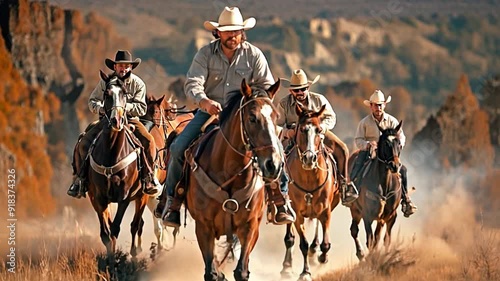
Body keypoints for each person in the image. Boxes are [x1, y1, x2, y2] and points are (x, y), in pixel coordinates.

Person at [158, 6, 295, 227]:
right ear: (218, 33)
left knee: (276, 148)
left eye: (236, 31)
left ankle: (281, 200)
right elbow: (193, 82)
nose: (232, 35)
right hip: (210, 112)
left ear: (242, 32)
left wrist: (256, 101)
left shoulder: (254, 55)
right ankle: (172, 201)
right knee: (178, 147)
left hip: (245, 113)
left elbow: (267, 86)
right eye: (227, 31)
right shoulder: (205, 54)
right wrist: (204, 101)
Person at [67, 50, 161, 198]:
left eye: (126, 66)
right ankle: (80, 179)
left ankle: (148, 177)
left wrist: (124, 108)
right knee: (84, 141)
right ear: (115, 67)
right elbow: (92, 101)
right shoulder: (105, 82)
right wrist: (102, 108)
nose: (123, 68)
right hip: (107, 119)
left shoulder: (138, 84)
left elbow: (142, 108)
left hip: (131, 120)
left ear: (131, 68)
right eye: (120, 66)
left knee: (149, 141)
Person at [278, 69, 359, 206]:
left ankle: (344, 185)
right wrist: (287, 132)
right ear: (291, 91)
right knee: (277, 155)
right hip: (293, 134)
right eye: (296, 90)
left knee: (343, 148)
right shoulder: (283, 104)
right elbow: (276, 125)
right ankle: (277, 190)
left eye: (302, 89)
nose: (300, 93)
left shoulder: (319, 99)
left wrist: (322, 128)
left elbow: (331, 117)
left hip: (317, 131)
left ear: (307, 88)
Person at [351, 89, 417, 217]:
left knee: (402, 170)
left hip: (388, 154)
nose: (378, 107)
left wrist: (397, 147)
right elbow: (358, 140)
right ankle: (352, 190)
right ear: (371, 106)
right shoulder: (364, 122)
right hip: (369, 151)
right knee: (358, 164)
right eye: (375, 105)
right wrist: (367, 145)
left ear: (384, 105)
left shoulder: (392, 121)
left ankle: (405, 199)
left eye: (380, 105)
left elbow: (401, 137)